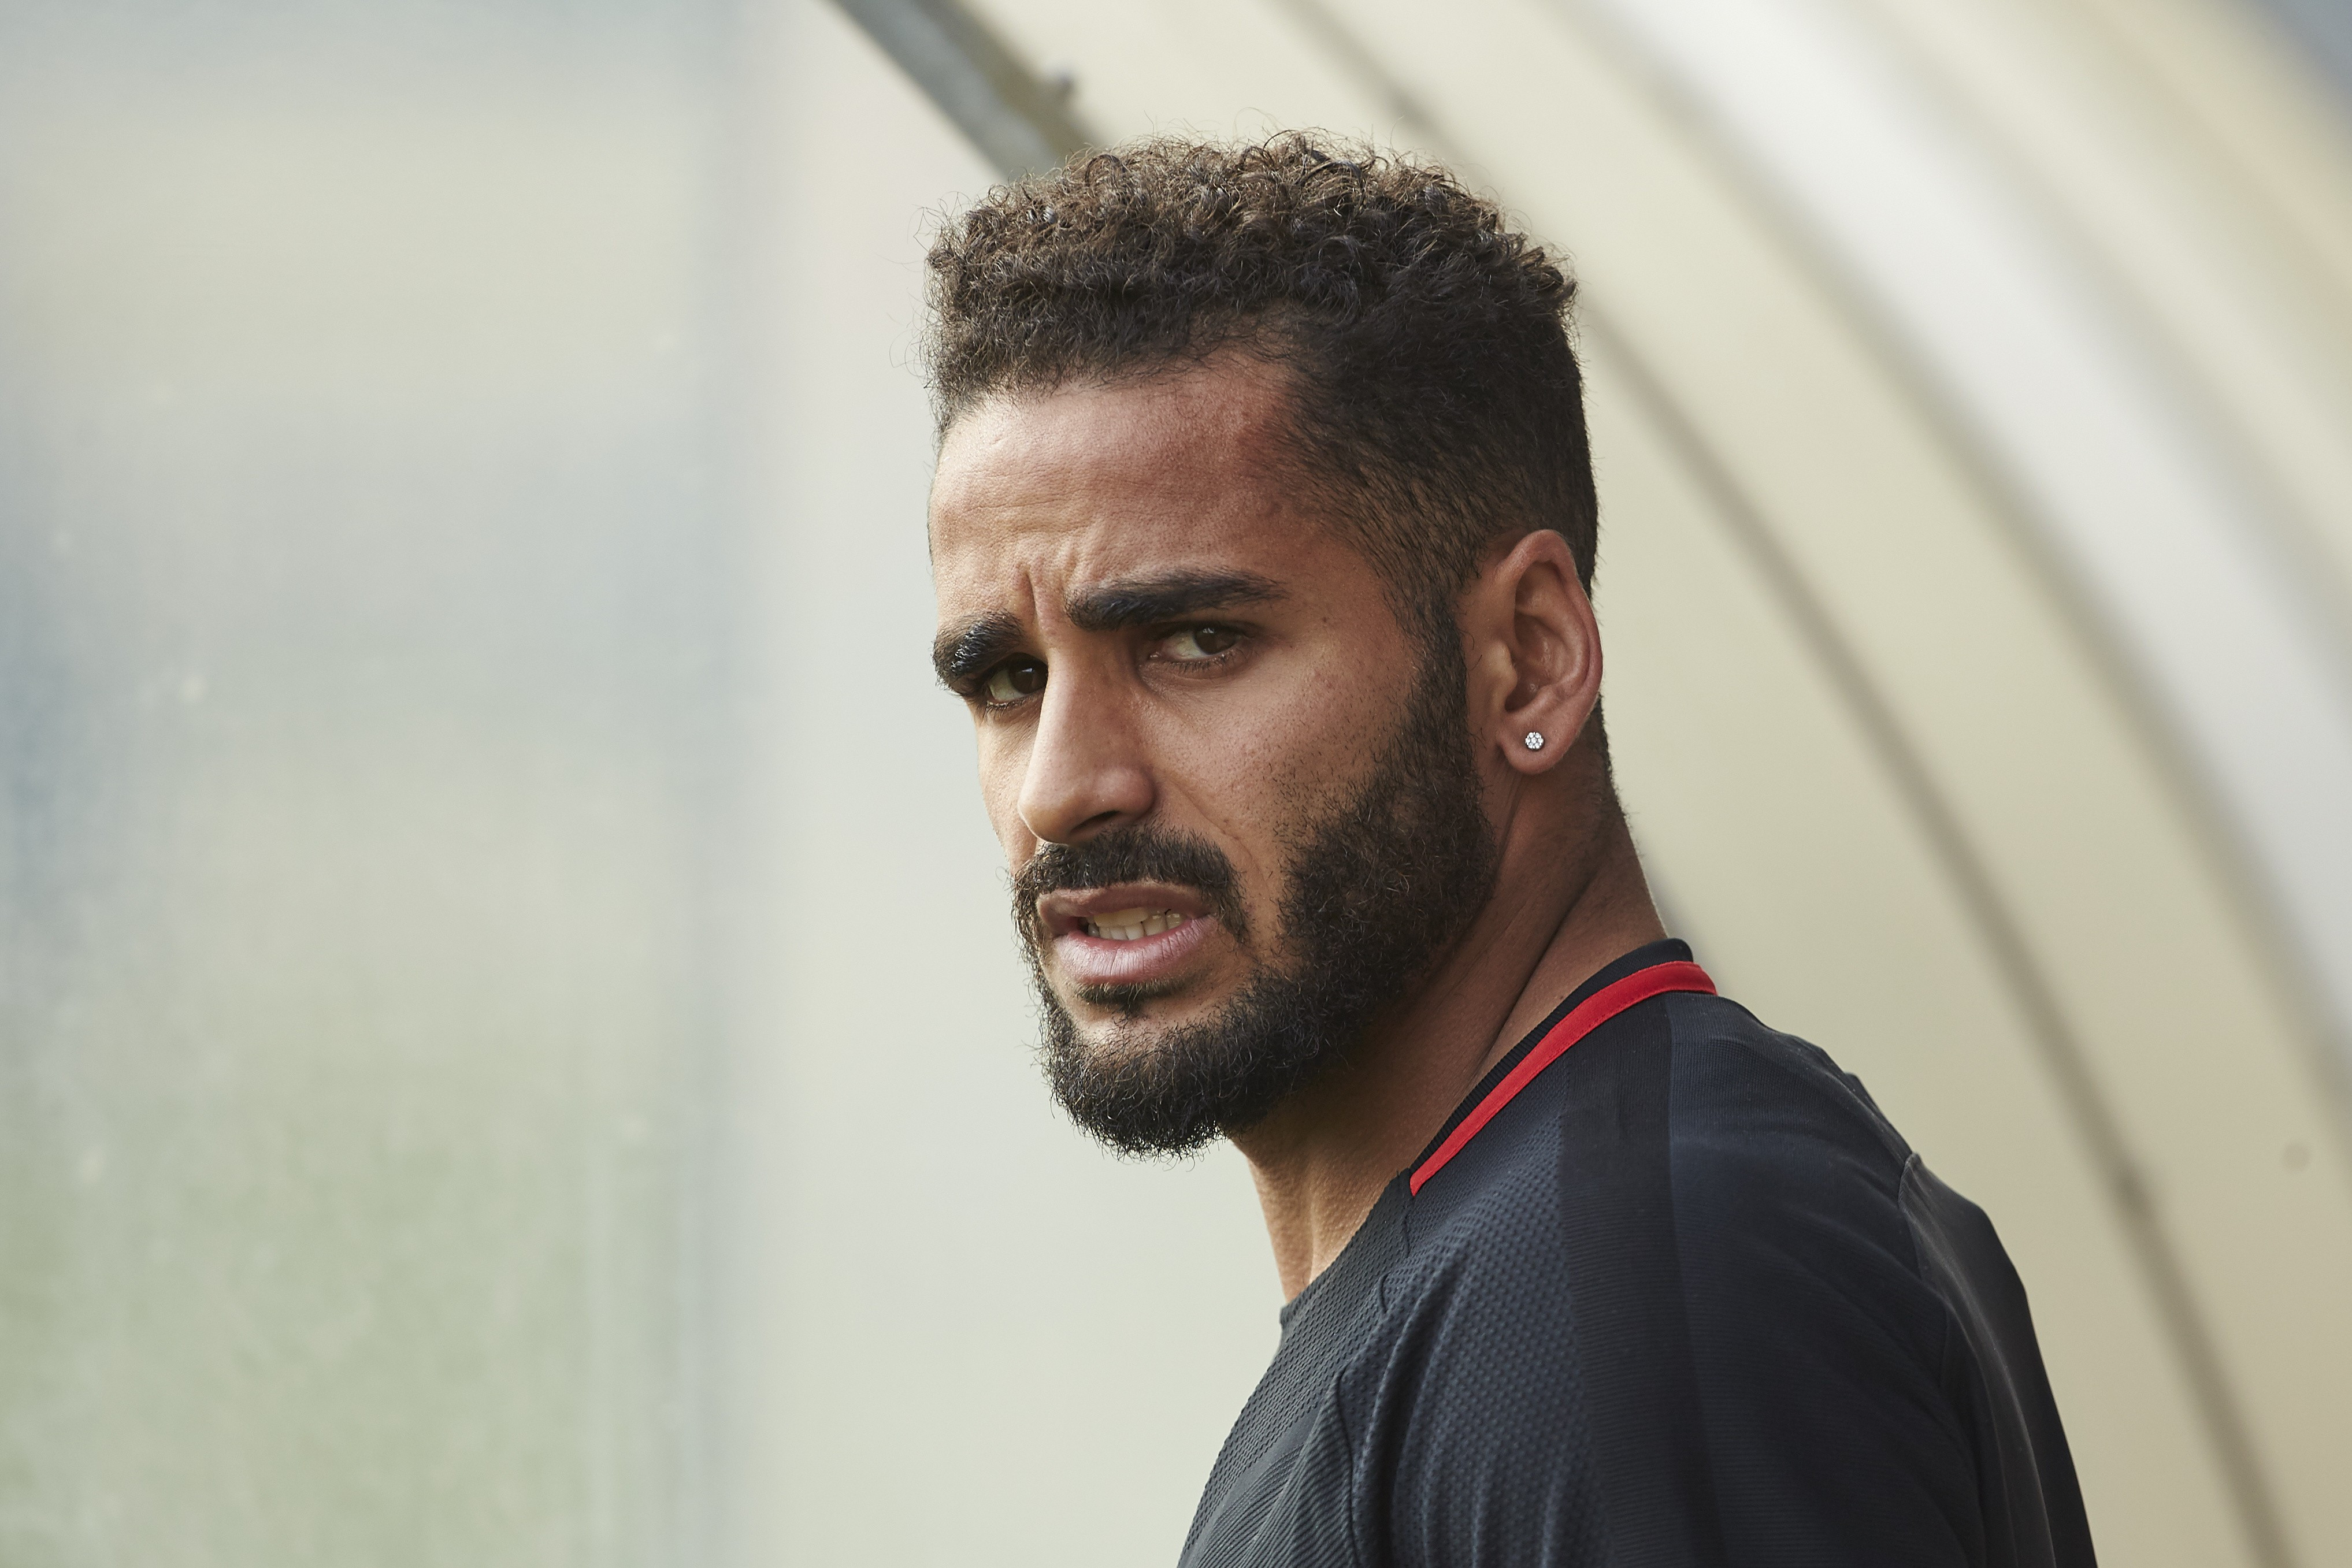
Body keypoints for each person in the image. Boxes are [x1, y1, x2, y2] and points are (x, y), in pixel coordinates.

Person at [921, 133, 2095, 1568]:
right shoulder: (1548, 1273)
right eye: (1004, 681)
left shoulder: (1640, 1300)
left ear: (1529, 662)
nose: (1061, 787)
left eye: (1195, 641)